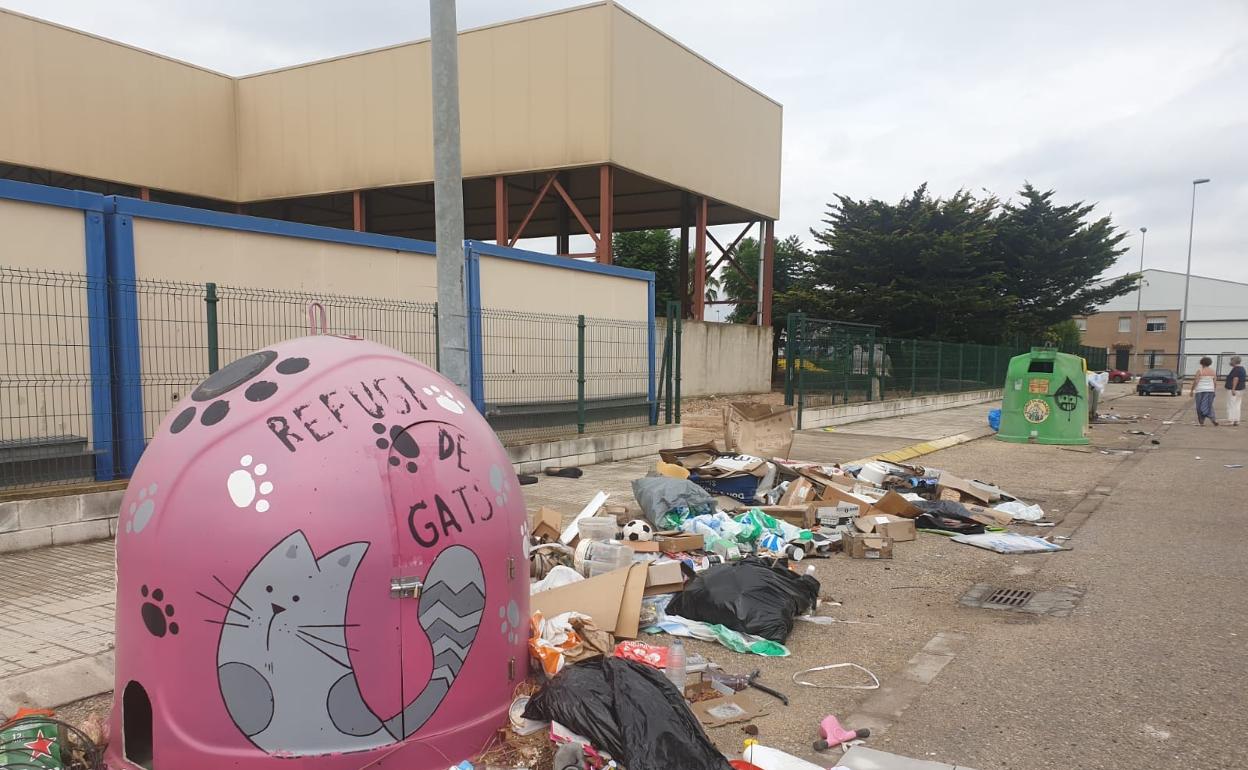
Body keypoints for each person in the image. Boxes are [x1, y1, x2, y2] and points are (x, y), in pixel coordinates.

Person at [1189, 356, 1219, 426]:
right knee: (1209, 405)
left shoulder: (1200, 371)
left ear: (1202, 363)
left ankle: (1201, 421)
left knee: (1199, 406)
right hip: (1210, 391)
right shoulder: (1213, 371)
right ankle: (1213, 418)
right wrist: (1214, 390)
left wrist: (1192, 390)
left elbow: (1196, 381)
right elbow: (1215, 382)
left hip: (1200, 390)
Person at [1225, 355, 1246, 426]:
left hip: (1234, 389)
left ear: (1234, 361)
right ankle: (1236, 420)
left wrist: (1233, 389)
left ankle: (1231, 420)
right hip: (1241, 389)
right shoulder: (1242, 369)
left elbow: (1235, 378)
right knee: (1237, 405)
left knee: (1231, 404)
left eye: (1231, 360)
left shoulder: (1236, 369)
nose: (1230, 362)